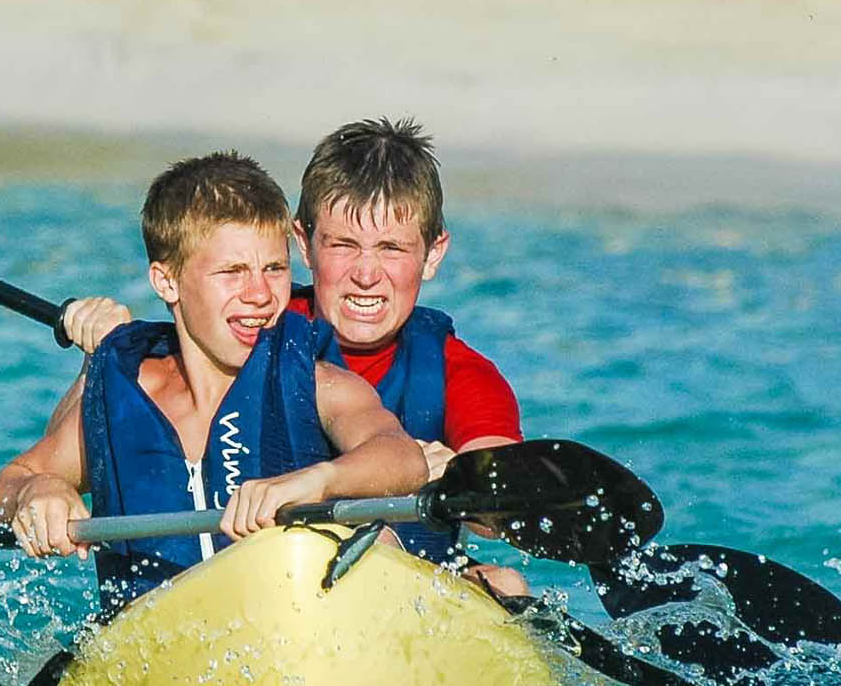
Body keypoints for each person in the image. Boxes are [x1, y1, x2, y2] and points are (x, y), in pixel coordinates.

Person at [59, 118, 528, 588]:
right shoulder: (258, 322)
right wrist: (101, 357)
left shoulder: (461, 374)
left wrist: (461, 481)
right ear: (303, 242)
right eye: (343, 245)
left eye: (391, 248)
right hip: (246, 586)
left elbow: (502, 511)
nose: (367, 274)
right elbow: (142, 393)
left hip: (398, 588)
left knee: (505, 583)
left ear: (432, 254)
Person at [0, 153, 426, 609]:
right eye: (232, 273)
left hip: (299, 625)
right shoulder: (126, 396)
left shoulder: (317, 385)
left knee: (384, 543)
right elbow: (8, 486)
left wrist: (319, 481)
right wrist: (38, 493)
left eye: (274, 269)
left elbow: (402, 458)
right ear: (167, 281)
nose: (260, 295)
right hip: (157, 643)